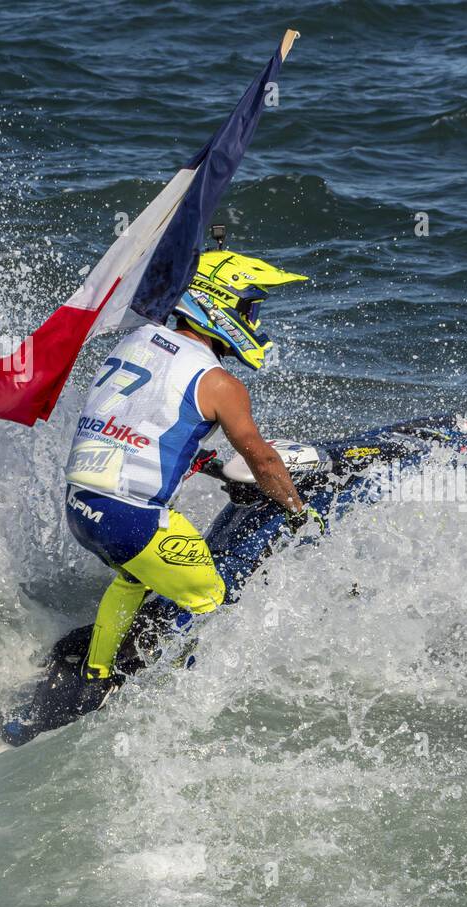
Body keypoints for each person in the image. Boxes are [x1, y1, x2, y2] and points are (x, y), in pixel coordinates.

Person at [62, 243, 322, 681]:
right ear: (220, 306)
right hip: (132, 520)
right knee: (211, 604)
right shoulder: (220, 383)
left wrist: (205, 463)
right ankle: (173, 694)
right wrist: (298, 513)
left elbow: (139, 422)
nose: (254, 321)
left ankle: (97, 674)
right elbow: (261, 458)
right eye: (249, 308)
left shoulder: (136, 340)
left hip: (80, 507)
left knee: (131, 578)